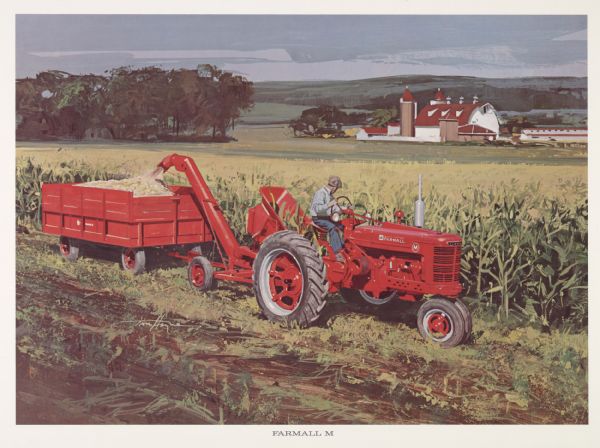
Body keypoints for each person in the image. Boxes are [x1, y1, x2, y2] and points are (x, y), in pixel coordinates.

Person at [310, 175, 345, 261]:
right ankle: (337, 253)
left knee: (342, 226)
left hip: (326, 218)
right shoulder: (321, 193)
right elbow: (317, 209)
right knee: (332, 227)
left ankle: (344, 248)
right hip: (318, 218)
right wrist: (330, 204)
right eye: (337, 188)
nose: (336, 190)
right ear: (334, 187)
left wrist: (344, 208)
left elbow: (336, 207)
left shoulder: (329, 195)